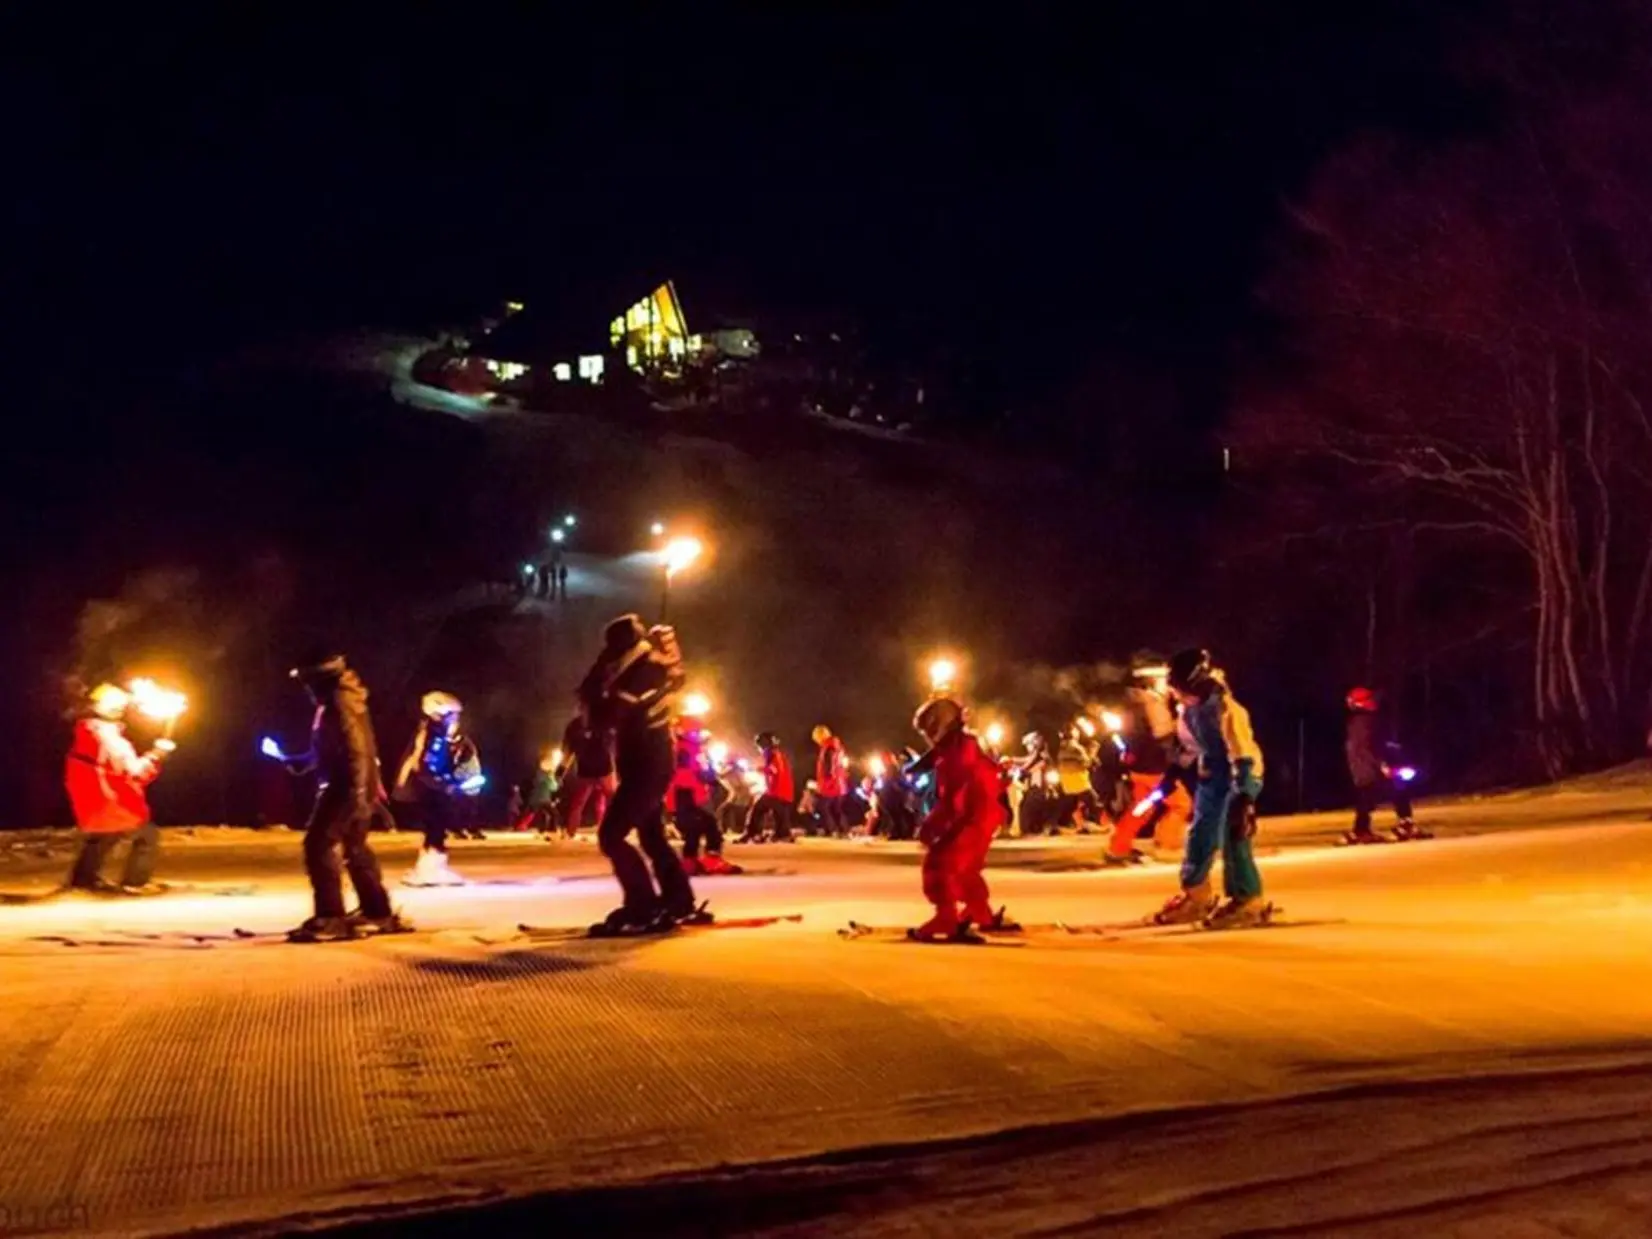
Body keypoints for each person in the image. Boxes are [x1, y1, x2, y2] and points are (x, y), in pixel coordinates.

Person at [577, 614, 701, 934]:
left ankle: (642, 906)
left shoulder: (643, 672)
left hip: (649, 764)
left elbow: (610, 716)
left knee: (611, 836)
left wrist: (593, 698)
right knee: (651, 835)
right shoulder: (634, 667)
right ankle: (678, 899)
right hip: (642, 762)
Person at [282, 651, 407, 942]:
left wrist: (357, 792)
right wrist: (302, 761)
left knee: (319, 843)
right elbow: (335, 747)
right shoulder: (339, 700)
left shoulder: (339, 702)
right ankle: (378, 911)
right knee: (355, 845)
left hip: (348, 785)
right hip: (355, 784)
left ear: (319, 679)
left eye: (306, 681)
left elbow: (355, 749)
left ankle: (331, 917)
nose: (305, 689)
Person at [1153, 648, 1269, 927]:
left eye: (1181, 689)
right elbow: (1191, 746)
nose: (1178, 695)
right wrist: (1175, 771)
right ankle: (1196, 895)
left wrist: (1244, 796)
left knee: (1234, 834)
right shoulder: (1189, 711)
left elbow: (1242, 751)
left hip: (1240, 773)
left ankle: (1247, 898)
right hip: (1212, 776)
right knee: (1201, 833)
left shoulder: (1226, 709)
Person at [910, 696, 1011, 940]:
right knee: (966, 868)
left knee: (939, 863)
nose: (928, 737)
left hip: (971, 816)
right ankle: (980, 911)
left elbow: (954, 794)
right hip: (983, 815)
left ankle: (946, 917)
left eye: (928, 731)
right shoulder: (964, 745)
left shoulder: (956, 754)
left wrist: (932, 824)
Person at [63, 683, 173, 894]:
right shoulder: (110, 740)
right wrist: (157, 755)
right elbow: (135, 773)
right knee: (146, 835)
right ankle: (135, 882)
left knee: (102, 837)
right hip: (114, 802)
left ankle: (82, 881)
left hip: (93, 802)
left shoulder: (85, 734)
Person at [392, 691, 475, 886]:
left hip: (428, 786)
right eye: (453, 715)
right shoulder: (435, 733)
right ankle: (433, 869)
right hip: (431, 788)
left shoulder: (430, 731)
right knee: (437, 827)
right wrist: (445, 782)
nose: (456, 719)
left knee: (434, 827)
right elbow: (430, 763)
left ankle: (426, 867)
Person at [1344, 686, 1428, 843]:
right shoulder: (1365, 721)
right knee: (1398, 788)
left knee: (1367, 798)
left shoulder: (1356, 722)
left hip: (1364, 769)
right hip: (1371, 768)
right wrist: (1382, 764)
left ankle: (1361, 829)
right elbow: (1368, 746)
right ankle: (1404, 824)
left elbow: (1366, 745)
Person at [672, 719, 737, 874]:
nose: (698, 735)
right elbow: (686, 773)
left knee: (699, 828)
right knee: (704, 826)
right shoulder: (683, 749)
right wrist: (706, 777)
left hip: (692, 794)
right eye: (694, 732)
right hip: (684, 794)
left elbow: (704, 771)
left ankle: (693, 861)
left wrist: (712, 776)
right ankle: (704, 861)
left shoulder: (693, 749)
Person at [559, 703, 615, 834]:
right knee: (579, 801)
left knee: (611, 799)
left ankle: (613, 829)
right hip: (586, 769)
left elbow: (611, 742)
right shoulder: (574, 727)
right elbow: (568, 751)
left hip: (603, 766)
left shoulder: (601, 723)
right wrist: (561, 771)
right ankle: (571, 832)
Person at [742, 732, 796, 842]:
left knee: (757, 809)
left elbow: (774, 770)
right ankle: (783, 834)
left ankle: (753, 833)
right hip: (784, 789)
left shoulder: (771, 753)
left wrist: (760, 769)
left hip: (776, 790)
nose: (759, 749)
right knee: (780, 813)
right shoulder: (778, 753)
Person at [811, 724, 849, 836]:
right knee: (835, 808)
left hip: (830, 783)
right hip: (838, 782)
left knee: (823, 807)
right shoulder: (837, 746)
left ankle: (833, 829)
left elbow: (829, 763)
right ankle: (842, 830)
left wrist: (828, 777)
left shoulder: (828, 747)